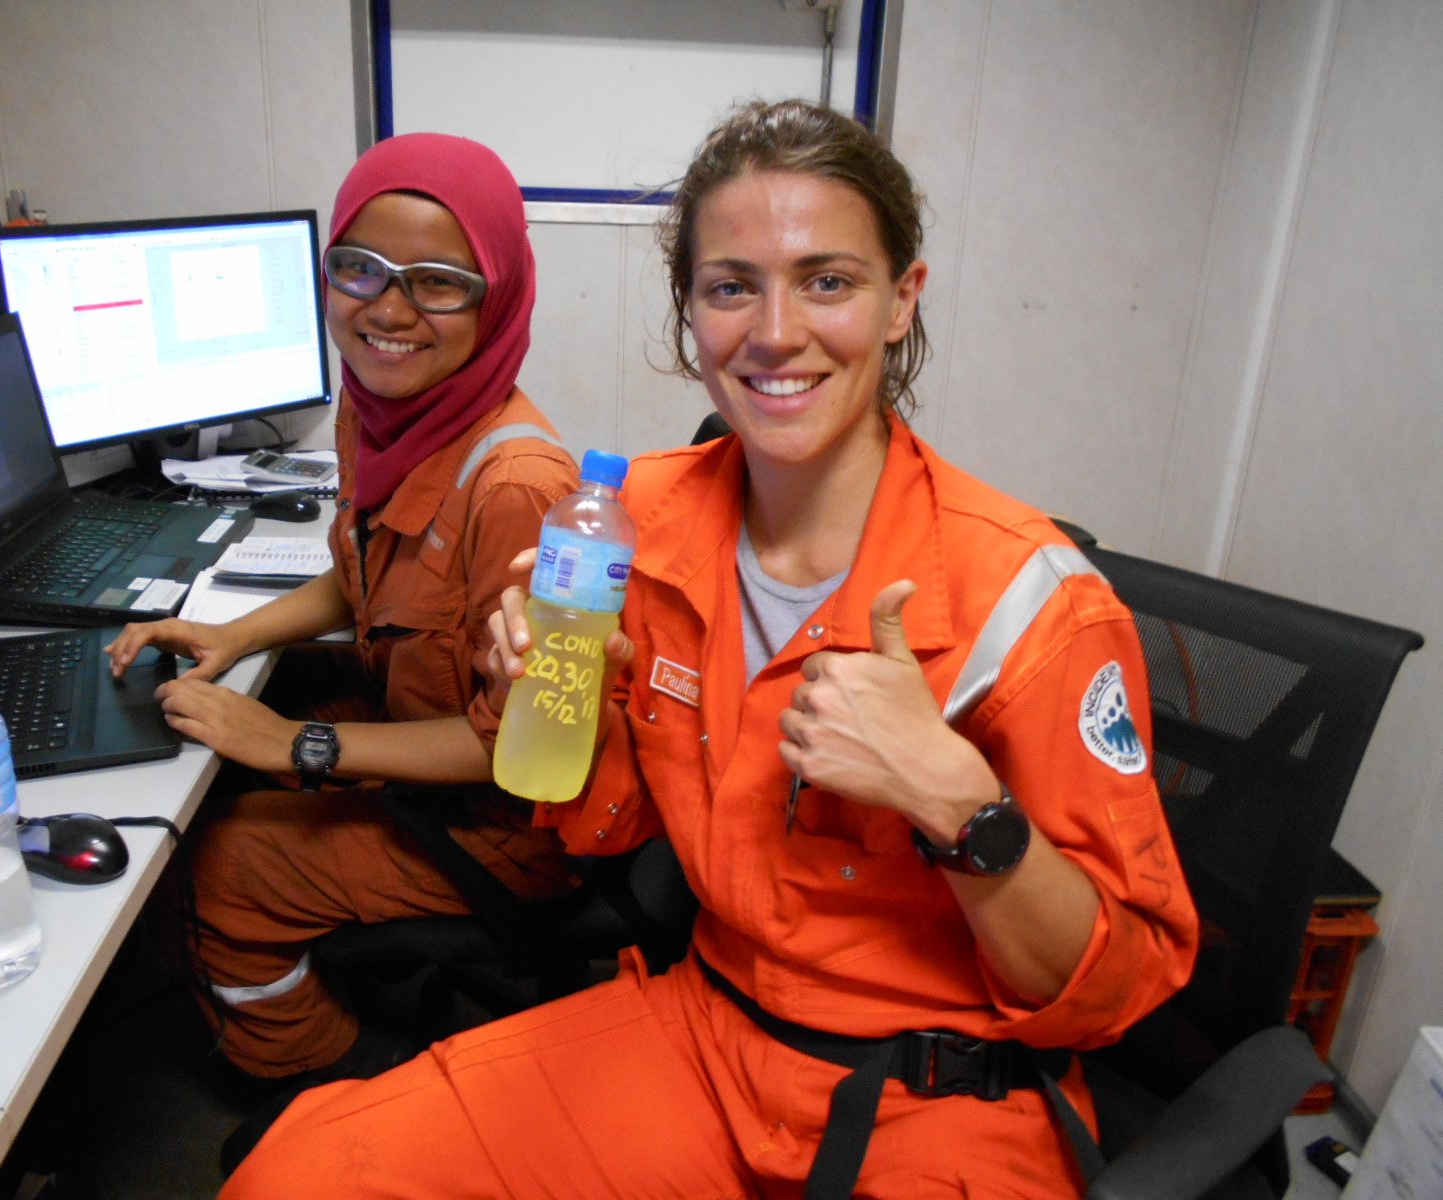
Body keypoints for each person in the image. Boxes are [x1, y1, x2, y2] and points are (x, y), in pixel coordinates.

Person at [219, 99, 1198, 1199]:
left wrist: (960, 807)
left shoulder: (1029, 601)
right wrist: (559, 708)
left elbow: (1110, 994)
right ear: (689, 312)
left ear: (899, 302)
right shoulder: (633, 525)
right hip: (706, 1029)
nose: (774, 331)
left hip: (944, 1097)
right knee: (293, 1174)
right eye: (731, 286)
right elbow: (614, 826)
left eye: (826, 280)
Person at [103, 133, 581, 1091]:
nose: (390, 310)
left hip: (505, 823)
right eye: (360, 270)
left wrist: (298, 748)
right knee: (199, 770)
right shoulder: (384, 407)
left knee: (209, 869)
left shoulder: (519, 487)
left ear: (498, 299)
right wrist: (234, 635)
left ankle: (333, 1077)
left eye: (440, 281)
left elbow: (525, 746)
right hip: (416, 734)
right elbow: (362, 581)